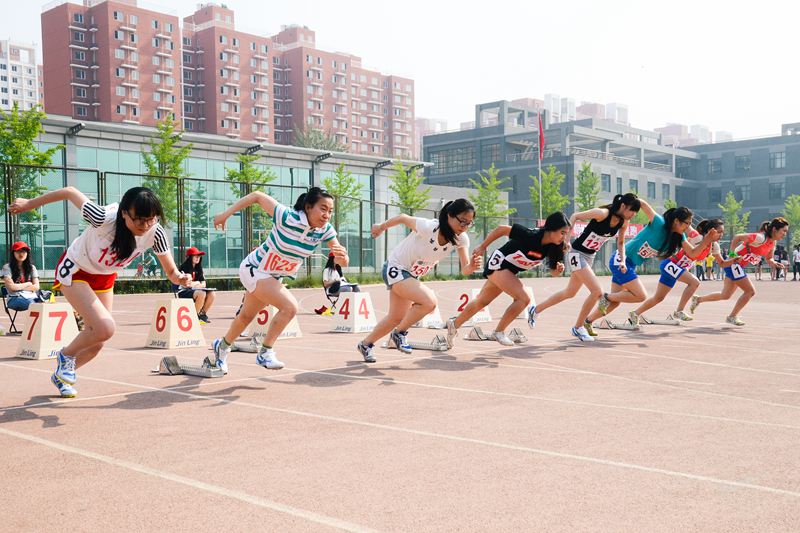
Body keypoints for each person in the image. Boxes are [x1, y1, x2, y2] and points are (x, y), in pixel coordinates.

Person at [8, 186, 191, 398]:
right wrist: (29, 204)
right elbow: (69, 192)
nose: (146, 226)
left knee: (98, 341)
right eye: (140, 220)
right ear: (124, 213)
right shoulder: (102, 218)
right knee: (105, 327)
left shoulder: (155, 233)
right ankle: (66, 355)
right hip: (76, 269)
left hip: (104, 276)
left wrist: (181, 278)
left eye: (152, 219)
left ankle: (63, 374)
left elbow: (171, 272)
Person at [211, 187, 349, 372]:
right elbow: (257, 196)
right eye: (323, 209)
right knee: (290, 307)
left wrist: (342, 257)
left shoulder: (325, 230)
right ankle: (265, 352)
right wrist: (225, 215)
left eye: (330, 211)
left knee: (246, 317)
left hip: (273, 277)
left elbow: (342, 260)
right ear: (308, 207)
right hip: (254, 269)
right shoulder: (287, 217)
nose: (327, 215)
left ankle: (221, 347)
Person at [356, 199, 482, 363]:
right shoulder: (429, 227)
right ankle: (399, 334)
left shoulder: (461, 239)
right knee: (429, 302)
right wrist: (381, 227)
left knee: (396, 317)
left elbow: (465, 269)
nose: (464, 226)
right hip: (396, 267)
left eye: (469, 223)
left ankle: (365, 344)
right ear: (450, 215)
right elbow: (403, 217)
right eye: (462, 221)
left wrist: (472, 266)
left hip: (411, 275)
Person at [526, 193, 640, 342]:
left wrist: (622, 260)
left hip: (589, 257)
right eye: (632, 210)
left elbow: (621, 243)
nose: (633, 215)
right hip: (577, 253)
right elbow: (575, 216)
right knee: (597, 291)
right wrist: (567, 240)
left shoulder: (624, 222)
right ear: (623, 206)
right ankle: (578, 327)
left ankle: (536, 309)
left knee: (569, 292)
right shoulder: (602, 214)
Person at [585, 202, 715, 329]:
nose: (689, 227)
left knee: (615, 302)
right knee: (640, 295)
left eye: (690, 223)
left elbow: (693, 253)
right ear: (676, 221)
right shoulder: (658, 222)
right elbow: (641, 203)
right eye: (687, 223)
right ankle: (605, 296)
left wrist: (706, 241)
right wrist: (623, 208)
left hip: (630, 264)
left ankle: (587, 321)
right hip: (622, 260)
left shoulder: (679, 237)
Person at [447, 212, 568, 347]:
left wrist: (557, 270)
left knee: (482, 301)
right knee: (523, 298)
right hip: (499, 264)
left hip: (510, 271)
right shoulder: (531, 235)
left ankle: (454, 324)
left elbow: (553, 272)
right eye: (562, 233)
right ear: (551, 229)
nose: (564, 237)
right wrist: (482, 247)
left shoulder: (555, 247)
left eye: (566, 233)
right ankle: (499, 332)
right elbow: (502, 229)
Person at [691, 217, 789, 326]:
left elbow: (769, 258)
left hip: (738, 266)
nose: (785, 234)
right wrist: (732, 254)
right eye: (784, 231)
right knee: (750, 291)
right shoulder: (760, 238)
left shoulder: (772, 243)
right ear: (775, 229)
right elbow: (737, 237)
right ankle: (732, 316)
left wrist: (774, 263)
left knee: (725, 295)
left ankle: (698, 299)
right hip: (733, 264)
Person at [629, 219, 729, 323]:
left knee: (658, 298)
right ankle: (679, 311)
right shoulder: (697, 237)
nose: (721, 235)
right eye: (719, 232)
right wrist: (677, 218)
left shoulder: (715, 246)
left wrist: (734, 260)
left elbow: (722, 263)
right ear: (710, 230)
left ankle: (635, 313)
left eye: (723, 232)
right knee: (694, 282)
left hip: (677, 269)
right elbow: (686, 226)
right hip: (670, 264)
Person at [1, 241, 52, 311]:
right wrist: (28, 284)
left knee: (47, 303)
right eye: (18, 251)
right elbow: (11, 287)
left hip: (31, 296)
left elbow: (36, 287)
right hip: (14, 298)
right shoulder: (7, 267)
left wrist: (18, 287)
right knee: (33, 305)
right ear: (13, 253)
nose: (21, 254)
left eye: (24, 251)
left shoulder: (32, 268)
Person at [177, 247, 215, 324]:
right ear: (190, 257)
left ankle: (202, 315)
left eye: (199, 256)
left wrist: (195, 284)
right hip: (183, 291)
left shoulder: (199, 268)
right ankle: (194, 317)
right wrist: (198, 283)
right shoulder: (183, 267)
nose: (198, 258)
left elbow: (204, 284)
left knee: (212, 294)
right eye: (195, 256)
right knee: (201, 293)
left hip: (195, 291)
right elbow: (187, 284)